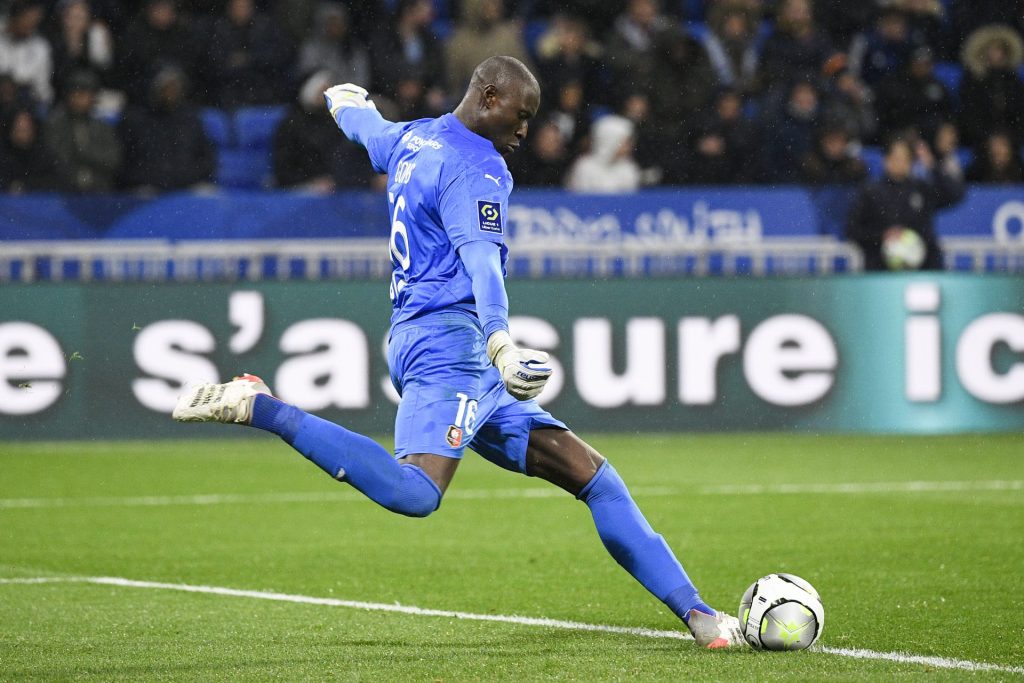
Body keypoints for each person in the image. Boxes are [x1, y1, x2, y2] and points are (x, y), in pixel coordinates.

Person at [172, 55, 744, 650]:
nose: (525, 130)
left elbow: (368, 129)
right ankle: (261, 407)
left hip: (429, 338)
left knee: (594, 478)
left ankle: (700, 616)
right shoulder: (477, 168)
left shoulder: (413, 137)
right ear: (490, 98)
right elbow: (482, 263)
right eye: (521, 115)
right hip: (450, 347)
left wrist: (345, 101)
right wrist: (500, 342)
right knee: (415, 492)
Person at [845, 135, 965, 271]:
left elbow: (955, 195)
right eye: (896, 157)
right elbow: (852, 231)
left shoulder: (922, 189)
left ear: (911, 162)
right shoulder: (870, 192)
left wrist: (933, 166)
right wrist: (882, 236)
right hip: (881, 270)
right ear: (886, 160)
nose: (900, 162)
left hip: (923, 269)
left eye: (905, 158)